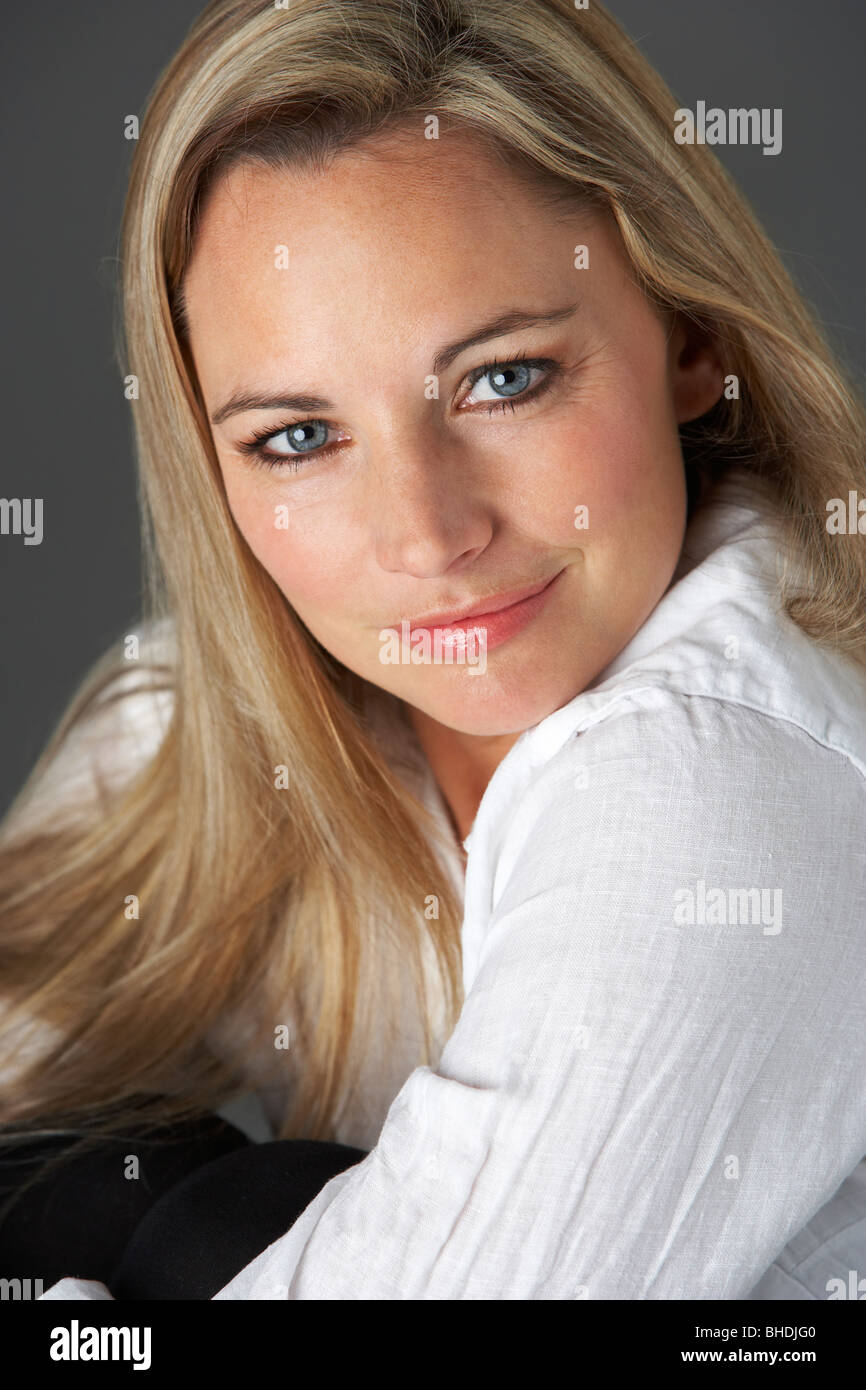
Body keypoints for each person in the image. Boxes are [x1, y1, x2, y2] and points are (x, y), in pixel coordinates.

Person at [1, 0, 865, 1300]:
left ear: (689, 339)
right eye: (297, 437)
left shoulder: (733, 794)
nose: (426, 535)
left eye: (502, 378)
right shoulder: (194, 731)